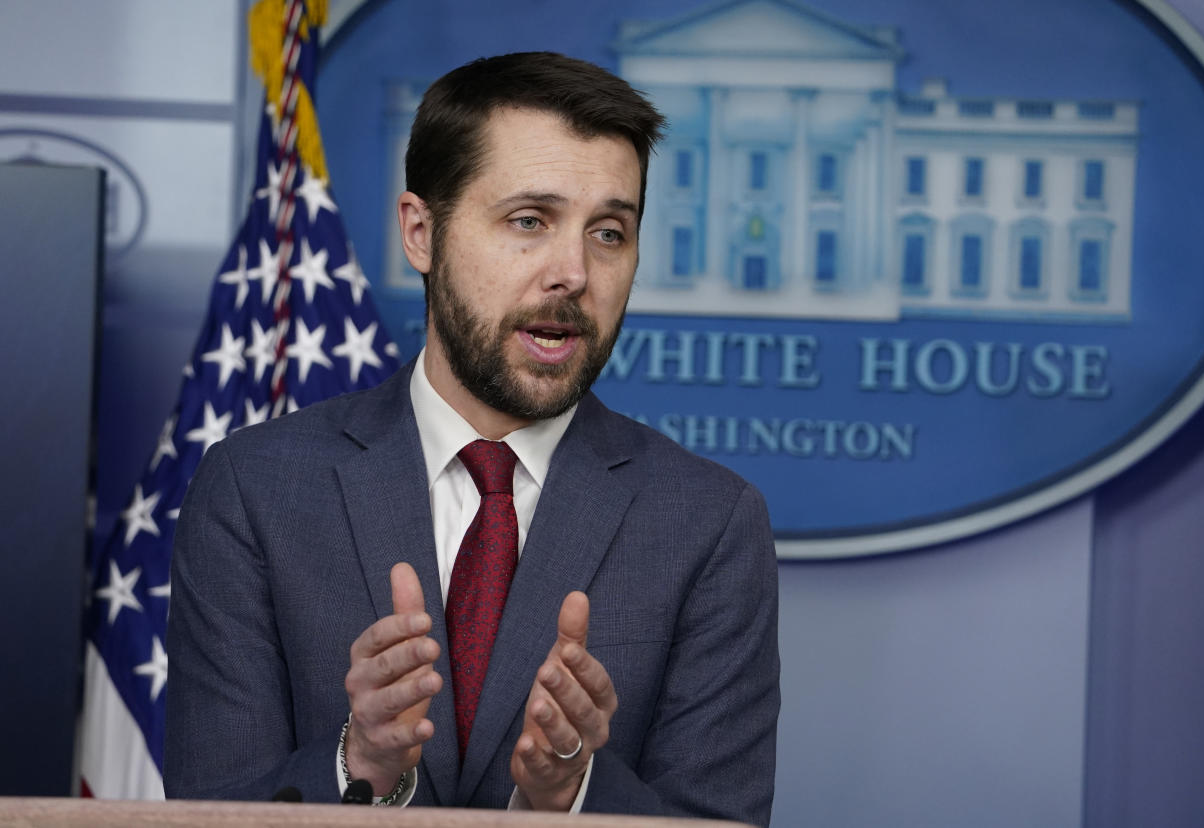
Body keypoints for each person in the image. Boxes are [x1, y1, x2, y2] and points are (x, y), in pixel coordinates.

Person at [165, 51, 780, 824]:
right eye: (530, 220)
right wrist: (362, 763)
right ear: (422, 233)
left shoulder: (710, 523)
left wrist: (566, 794)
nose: (574, 273)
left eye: (610, 233)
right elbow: (209, 811)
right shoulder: (255, 491)